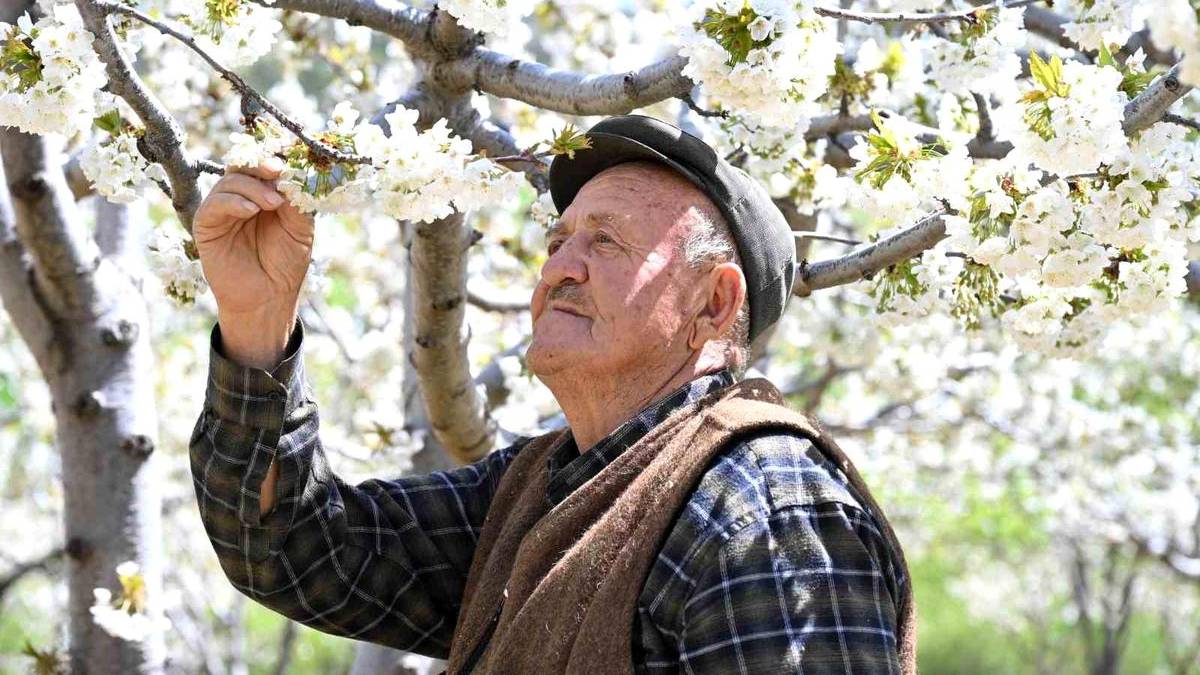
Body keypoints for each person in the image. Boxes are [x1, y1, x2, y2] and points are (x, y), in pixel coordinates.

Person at [190, 114, 915, 674]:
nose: (558, 270)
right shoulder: (534, 489)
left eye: (605, 243)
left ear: (714, 306)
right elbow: (291, 548)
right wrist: (258, 322)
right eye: (557, 242)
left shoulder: (761, 503)